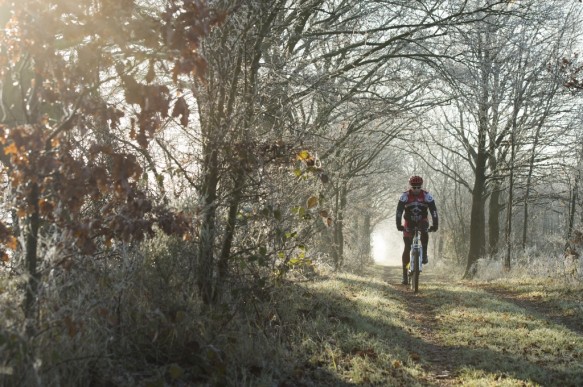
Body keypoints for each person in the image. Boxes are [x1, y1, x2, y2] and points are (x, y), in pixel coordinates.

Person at [396, 175, 438, 285]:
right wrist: (398, 225)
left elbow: (434, 211)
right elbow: (399, 211)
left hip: (421, 220)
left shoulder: (426, 196)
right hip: (408, 222)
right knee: (407, 247)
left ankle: (424, 254)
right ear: (410, 186)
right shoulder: (405, 196)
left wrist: (435, 225)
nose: (416, 189)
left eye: (418, 187)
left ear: (421, 186)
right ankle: (405, 275)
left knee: (425, 228)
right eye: (413, 187)